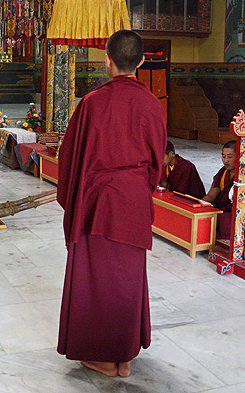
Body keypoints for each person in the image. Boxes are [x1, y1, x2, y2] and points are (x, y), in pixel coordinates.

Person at [56, 30, 166, 378]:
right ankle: (124, 357)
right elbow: (157, 163)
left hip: (97, 203)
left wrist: (74, 195)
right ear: (142, 61)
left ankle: (102, 357)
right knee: (127, 277)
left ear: (107, 60)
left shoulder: (91, 103)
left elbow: (70, 156)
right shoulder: (152, 103)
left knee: (96, 278)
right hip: (132, 202)